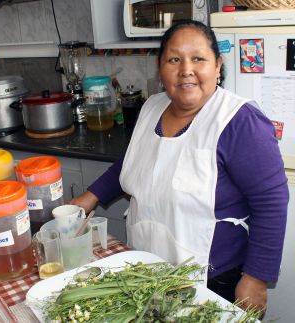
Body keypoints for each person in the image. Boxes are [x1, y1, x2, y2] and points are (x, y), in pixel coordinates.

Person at [70, 20, 289, 313]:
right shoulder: (152, 107)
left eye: (198, 58)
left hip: (214, 278)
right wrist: (90, 196)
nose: (186, 69)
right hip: (148, 268)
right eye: (174, 59)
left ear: (218, 65)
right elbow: (134, 160)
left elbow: (271, 203)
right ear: (160, 69)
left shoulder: (240, 121)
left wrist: (256, 278)